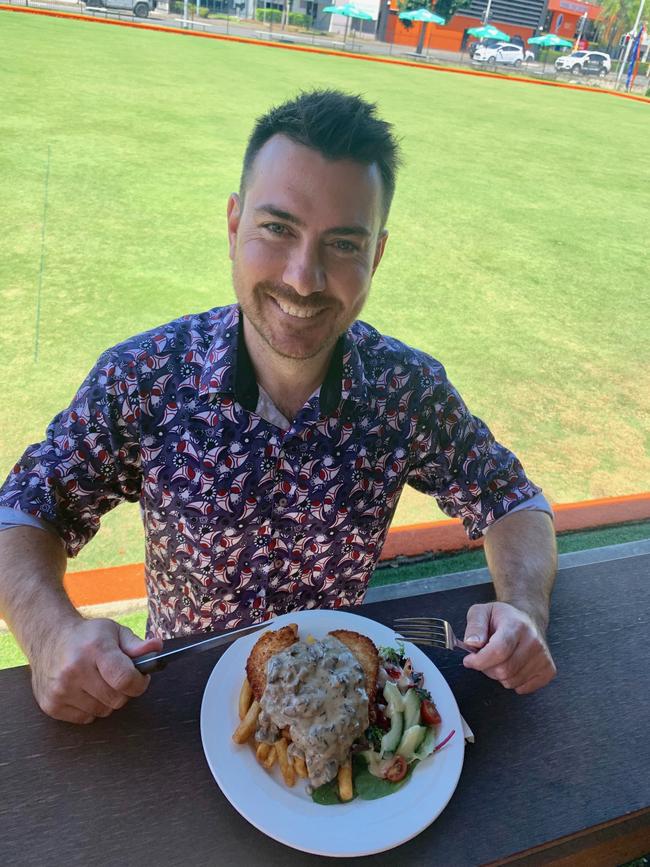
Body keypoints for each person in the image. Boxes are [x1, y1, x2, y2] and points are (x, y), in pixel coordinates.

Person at [0, 90, 557, 725]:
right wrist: (49, 635)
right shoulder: (145, 376)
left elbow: (513, 500)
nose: (302, 277)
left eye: (343, 245)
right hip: (178, 707)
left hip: (344, 705)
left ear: (376, 255)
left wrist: (522, 611)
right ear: (235, 225)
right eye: (278, 228)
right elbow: (23, 510)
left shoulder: (407, 390)